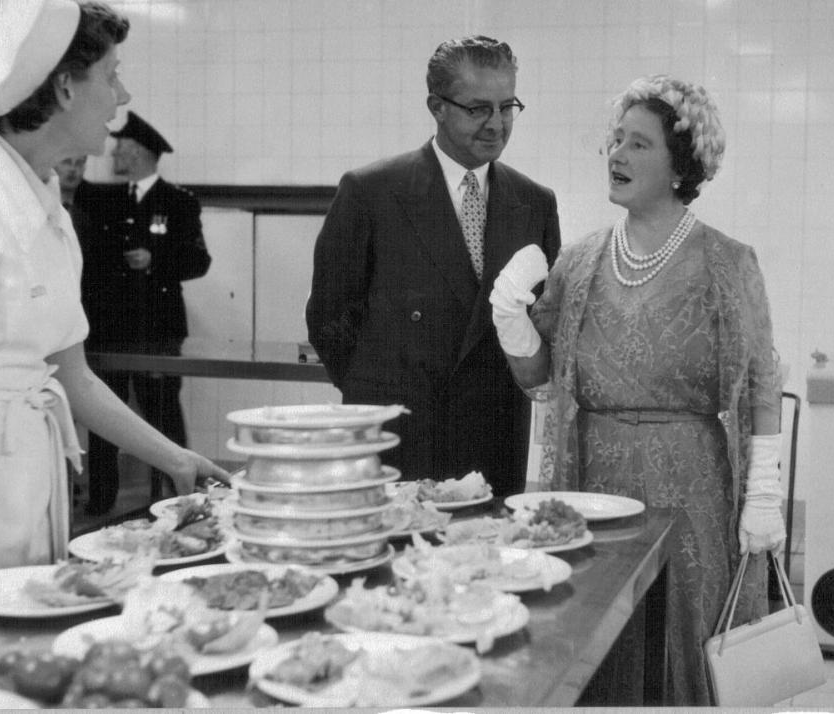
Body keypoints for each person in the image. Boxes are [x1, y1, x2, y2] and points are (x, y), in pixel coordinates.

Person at [490, 75, 785, 705]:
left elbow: (763, 378)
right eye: (615, 141)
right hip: (591, 482)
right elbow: (541, 382)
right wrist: (512, 323)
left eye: (638, 144)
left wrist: (764, 493)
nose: (617, 155)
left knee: (681, 635)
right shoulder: (580, 259)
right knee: (597, 636)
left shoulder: (727, 262)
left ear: (681, 166)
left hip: (692, 487)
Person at [0, 0, 229, 606]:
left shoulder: (48, 204)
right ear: (65, 87)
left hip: (26, 484)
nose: (122, 95)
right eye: (112, 73)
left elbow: (73, 376)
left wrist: (175, 459)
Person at [306, 35, 561, 497]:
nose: (496, 124)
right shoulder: (372, 192)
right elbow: (329, 319)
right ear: (436, 106)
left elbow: (542, 324)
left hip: (493, 440)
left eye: (507, 107)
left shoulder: (535, 203)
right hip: (400, 439)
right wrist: (383, 396)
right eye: (477, 108)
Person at [78, 110, 212, 515]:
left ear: (137, 152)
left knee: (163, 414)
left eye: (120, 147)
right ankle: (101, 505)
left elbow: (198, 260)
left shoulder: (178, 203)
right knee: (105, 420)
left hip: (159, 330)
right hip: (110, 329)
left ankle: (182, 498)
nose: (114, 153)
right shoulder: (102, 199)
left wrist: (155, 258)